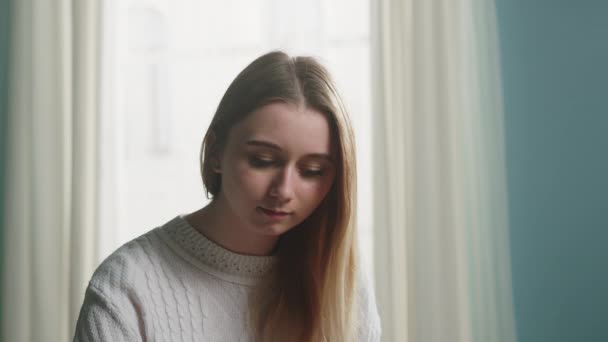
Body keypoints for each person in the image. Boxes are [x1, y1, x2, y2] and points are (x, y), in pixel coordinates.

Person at [73, 51, 381, 341]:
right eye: (262, 160)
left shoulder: (339, 281)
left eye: (312, 170)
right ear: (217, 152)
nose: (284, 191)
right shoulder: (127, 288)